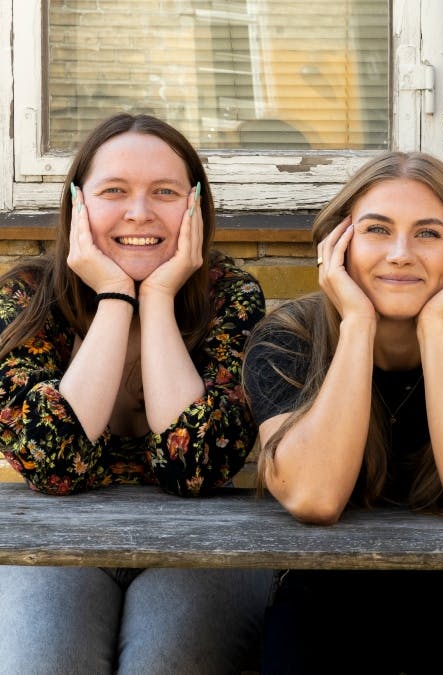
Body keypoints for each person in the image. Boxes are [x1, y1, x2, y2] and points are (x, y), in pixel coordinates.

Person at [242, 150, 443, 673]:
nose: (400, 253)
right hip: (329, 592)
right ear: (338, 245)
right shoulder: (286, 341)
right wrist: (357, 326)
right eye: (376, 229)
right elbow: (314, 497)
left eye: (429, 234)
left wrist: (436, 330)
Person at [0, 113, 271, 674]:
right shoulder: (26, 297)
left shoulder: (230, 297)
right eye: (114, 191)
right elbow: (57, 465)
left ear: (196, 206)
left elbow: (194, 468)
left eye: (165, 192)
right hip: (53, 547)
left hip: (202, 548)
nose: (140, 212)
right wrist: (116, 297)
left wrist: (160, 295)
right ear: (78, 205)